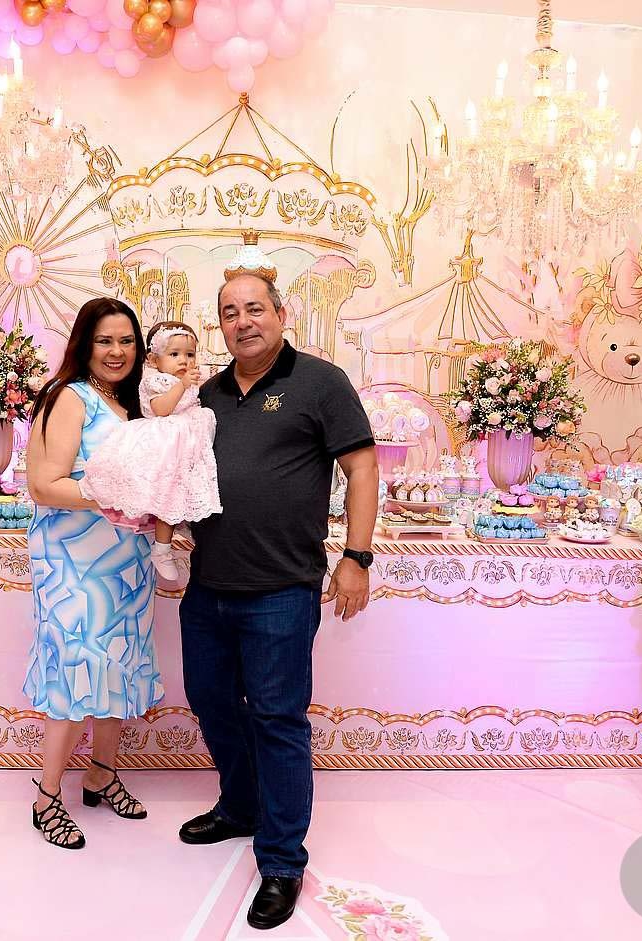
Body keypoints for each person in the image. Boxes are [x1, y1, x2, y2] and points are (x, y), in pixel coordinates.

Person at [178, 265, 378, 930]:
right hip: (208, 586)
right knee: (211, 701)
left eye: (254, 308)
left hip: (282, 590)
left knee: (277, 718)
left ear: (281, 314)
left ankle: (283, 860)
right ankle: (241, 806)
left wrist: (356, 557)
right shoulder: (206, 394)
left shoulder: (321, 382)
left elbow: (361, 466)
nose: (243, 322)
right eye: (229, 312)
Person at [23, 297, 164, 850]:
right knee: (74, 669)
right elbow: (45, 484)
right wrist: (120, 494)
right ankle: (47, 797)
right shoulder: (70, 396)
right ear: (85, 344)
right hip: (74, 565)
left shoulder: (133, 405)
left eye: (127, 341)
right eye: (105, 340)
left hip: (127, 563)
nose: (117, 351)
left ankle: (101, 774)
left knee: (120, 665)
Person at [79, 320, 223, 579]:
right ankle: (162, 549)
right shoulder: (156, 381)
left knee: (188, 489)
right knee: (167, 495)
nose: (184, 361)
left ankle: (184, 524)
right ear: (154, 359)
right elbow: (161, 409)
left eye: (190, 354)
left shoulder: (184, 382)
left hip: (184, 446)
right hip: (165, 446)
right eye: (174, 354)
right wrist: (182, 385)